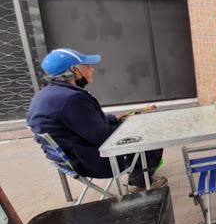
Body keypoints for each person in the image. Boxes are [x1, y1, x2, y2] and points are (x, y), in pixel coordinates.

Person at [26, 48, 166, 193]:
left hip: (66, 158)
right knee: (150, 134)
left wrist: (116, 118)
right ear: (75, 70)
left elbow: (86, 123)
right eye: (87, 66)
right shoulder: (73, 99)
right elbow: (104, 137)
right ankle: (141, 182)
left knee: (133, 127)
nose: (92, 70)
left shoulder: (46, 94)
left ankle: (139, 173)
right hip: (90, 160)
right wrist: (133, 124)